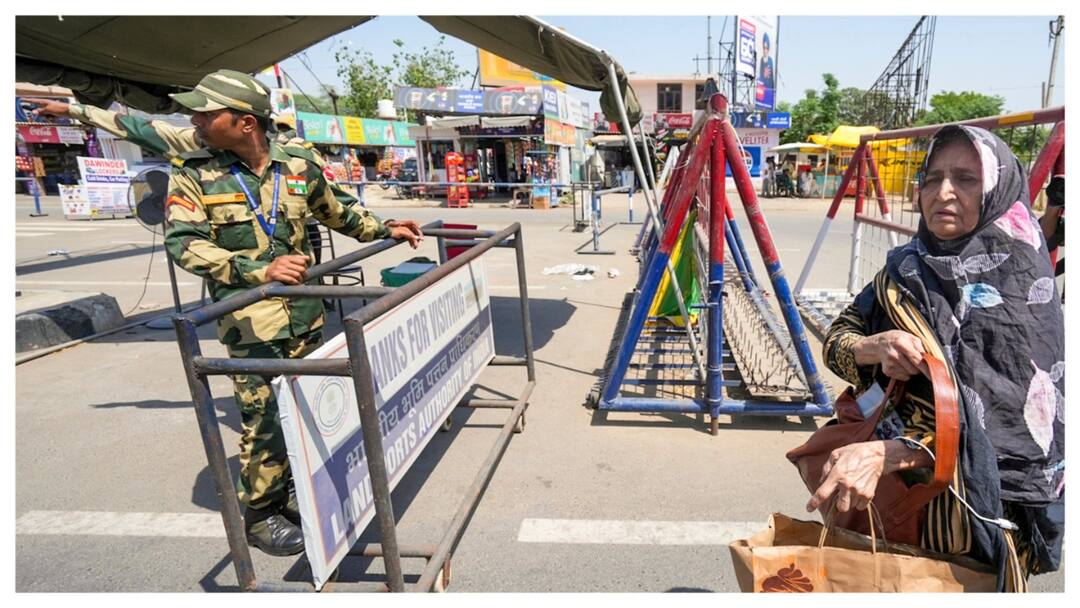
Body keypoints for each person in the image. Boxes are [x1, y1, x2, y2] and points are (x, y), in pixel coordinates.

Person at [163, 69, 424, 557]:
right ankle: (261, 514)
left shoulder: (298, 164)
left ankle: (294, 492)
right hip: (250, 324)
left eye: (205, 112)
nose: (194, 120)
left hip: (305, 317)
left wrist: (386, 228)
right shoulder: (193, 172)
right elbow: (183, 243)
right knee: (263, 418)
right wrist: (257, 271)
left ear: (245, 122)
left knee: (307, 410)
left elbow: (338, 210)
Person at [815, 126, 1064, 591]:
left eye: (966, 179)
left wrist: (894, 453)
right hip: (894, 505)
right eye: (933, 178)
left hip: (979, 518)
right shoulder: (906, 267)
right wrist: (873, 348)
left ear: (996, 188)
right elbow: (837, 341)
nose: (943, 192)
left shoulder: (1024, 286)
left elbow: (1013, 433)